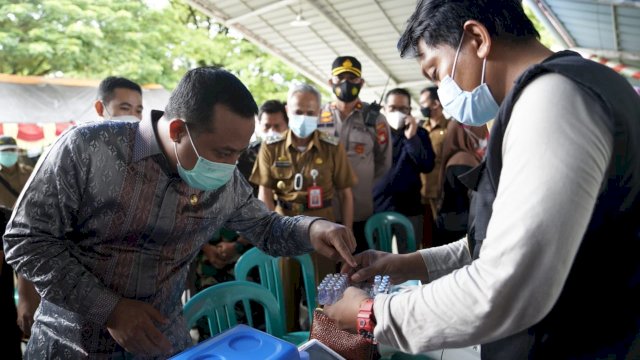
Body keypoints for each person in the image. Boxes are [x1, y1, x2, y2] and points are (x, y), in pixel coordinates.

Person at [324, 0, 640, 358]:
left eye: (436, 71)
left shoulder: (552, 100)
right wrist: (408, 264)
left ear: (477, 38)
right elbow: (503, 241)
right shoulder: (564, 91)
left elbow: (505, 286)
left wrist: (371, 313)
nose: (442, 93)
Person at [3, 67, 357, 358]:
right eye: (222, 152)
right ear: (177, 131)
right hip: (70, 345)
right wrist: (109, 308)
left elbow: (265, 226)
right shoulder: (88, 150)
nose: (231, 166)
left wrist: (312, 229)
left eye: (238, 153)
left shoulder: (225, 178)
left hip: (162, 344)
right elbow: (25, 240)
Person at [250, 83, 355, 331]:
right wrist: (267, 231)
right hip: (283, 227)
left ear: (319, 113)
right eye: (299, 111)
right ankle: (289, 348)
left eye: (310, 112)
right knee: (285, 295)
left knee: (326, 300)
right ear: (288, 110)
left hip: (326, 229)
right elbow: (264, 191)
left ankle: (324, 345)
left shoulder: (332, 147)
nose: (304, 117)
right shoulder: (272, 146)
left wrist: (347, 237)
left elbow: (346, 195)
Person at [318, 56, 392, 254]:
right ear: (330, 82)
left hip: (360, 210)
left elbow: (383, 163)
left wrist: (360, 180)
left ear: (361, 82)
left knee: (359, 269)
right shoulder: (318, 115)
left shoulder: (375, 118)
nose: (346, 83)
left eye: (352, 78)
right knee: (326, 273)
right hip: (324, 210)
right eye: (340, 78)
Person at [373, 88, 434, 252]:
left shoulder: (420, 134)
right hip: (378, 209)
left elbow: (427, 166)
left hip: (410, 210)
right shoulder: (374, 133)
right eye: (392, 108)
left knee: (409, 263)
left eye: (403, 109)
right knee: (377, 262)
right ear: (384, 110)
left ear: (409, 110)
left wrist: (411, 137)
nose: (397, 112)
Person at [433, 121, 488, 246]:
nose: (483, 138)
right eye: (480, 132)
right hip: (459, 232)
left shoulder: (457, 157)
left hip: (449, 225)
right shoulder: (464, 161)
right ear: (469, 135)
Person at [236, 99, 289, 196]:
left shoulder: (297, 151)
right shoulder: (247, 155)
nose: (272, 131)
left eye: (277, 126)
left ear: (287, 125)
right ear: (259, 125)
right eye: (267, 126)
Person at [418, 86, 449, 222]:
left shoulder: (451, 129)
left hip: (441, 194)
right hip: (420, 194)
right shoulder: (419, 130)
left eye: (424, 103)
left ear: (436, 103)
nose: (421, 107)